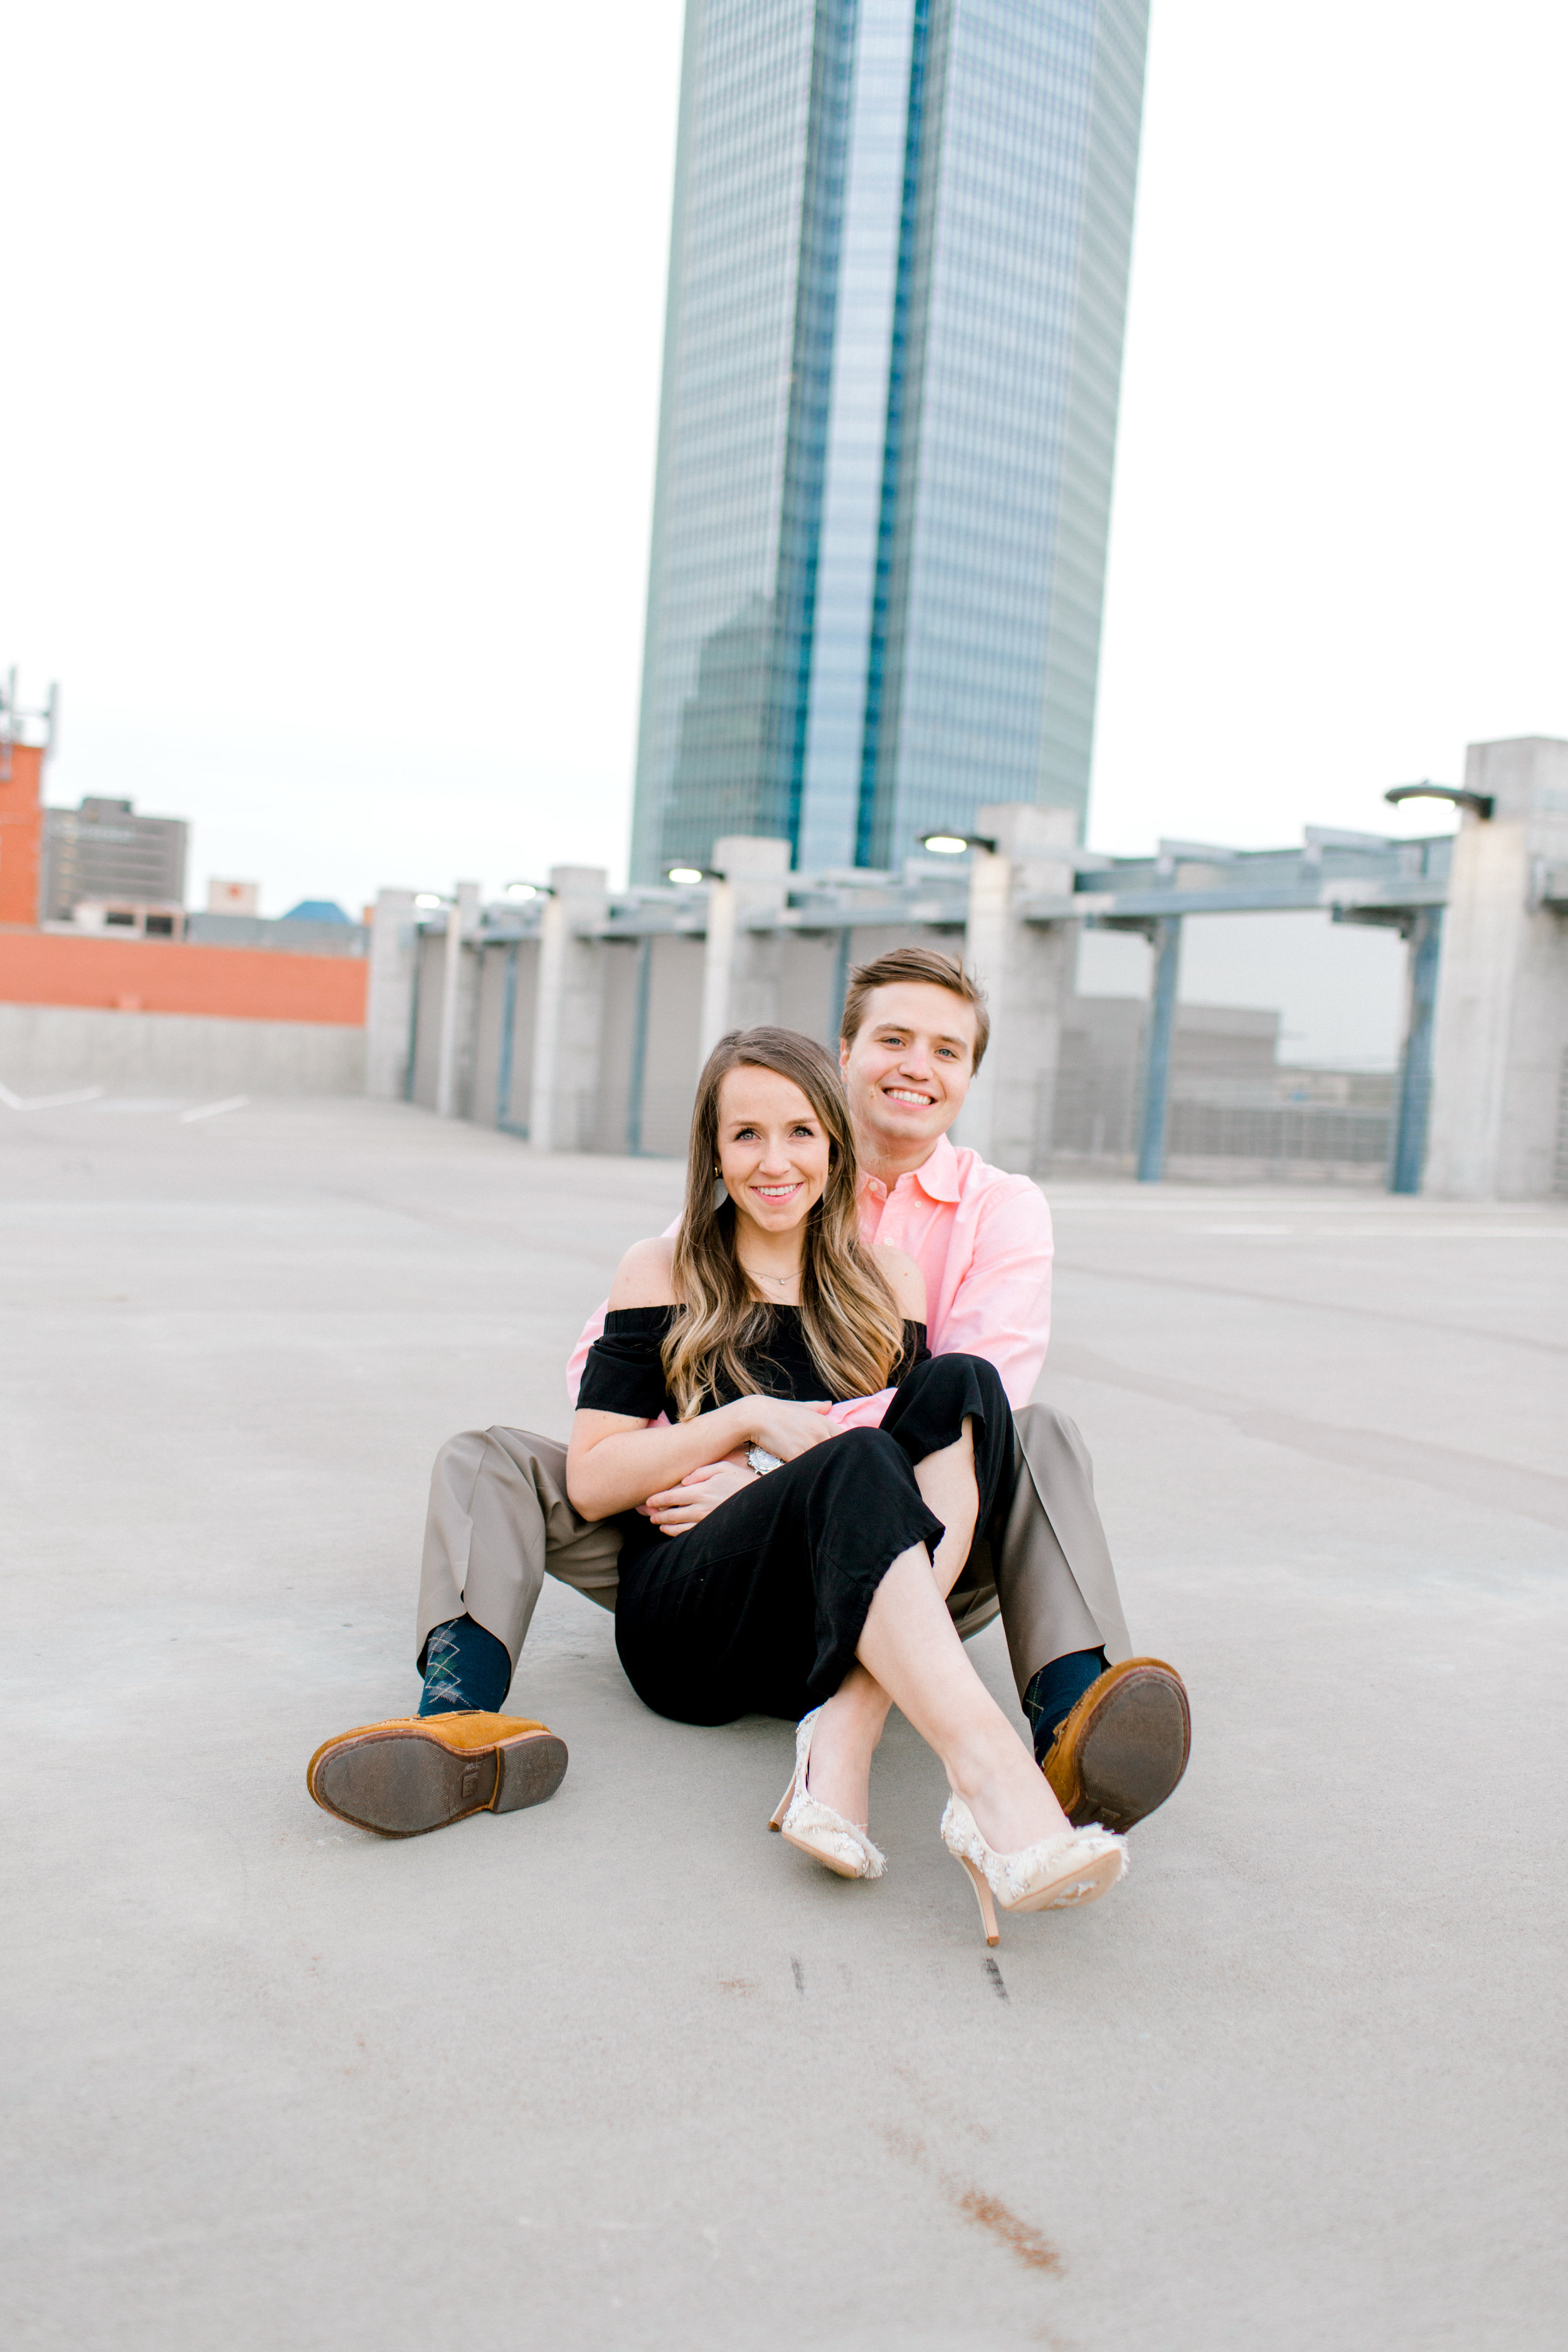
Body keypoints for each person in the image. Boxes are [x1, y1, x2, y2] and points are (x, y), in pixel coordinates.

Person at [307, 948, 1189, 1851]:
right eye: (892, 1038)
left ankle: (1072, 1719)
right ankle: (456, 1720)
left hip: (909, 1553)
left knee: (1006, 1413)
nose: (916, 1065)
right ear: (841, 1060)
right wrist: (729, 1437)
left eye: (945, 1050)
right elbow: (597, 1394)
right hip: (701, 1575)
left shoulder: (944, 1244)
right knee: (485, 1453)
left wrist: (771, 1470)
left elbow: (960, 1405)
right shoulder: (686, 1249)